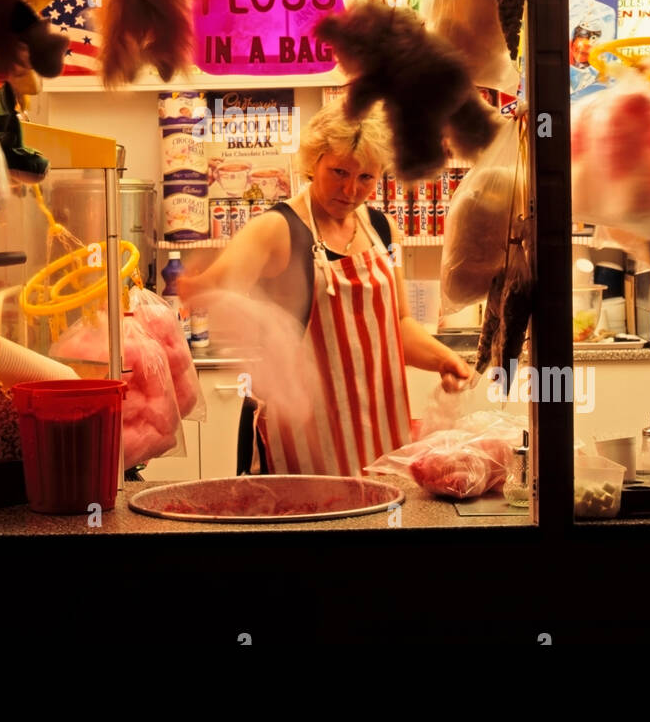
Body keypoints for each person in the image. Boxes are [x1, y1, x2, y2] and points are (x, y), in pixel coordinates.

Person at [181, 101, 476, 476]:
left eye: (366, 178)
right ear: (313, 162)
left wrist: (442, 359)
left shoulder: (384, 232)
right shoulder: (278, 229)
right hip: (303, 441)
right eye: (339, 171)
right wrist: (196, 284)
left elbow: (398, 324)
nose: (350, 190)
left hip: (376, 434)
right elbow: (214, 286)